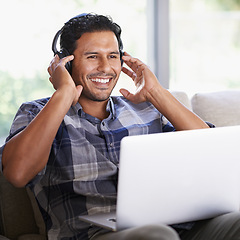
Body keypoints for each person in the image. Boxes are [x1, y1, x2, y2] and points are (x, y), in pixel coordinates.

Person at [0, 13, 240, 240]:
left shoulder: (146, 108)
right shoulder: (38, 113)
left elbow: (211, 153)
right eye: (92, 56)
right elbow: (18, 174)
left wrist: (157, 93)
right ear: (65, 63)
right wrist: (63, 95)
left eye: (113, 56)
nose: (105, 67)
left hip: (178, 226)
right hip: (94, 234)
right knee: (157, 236)